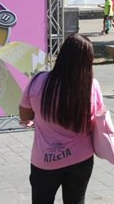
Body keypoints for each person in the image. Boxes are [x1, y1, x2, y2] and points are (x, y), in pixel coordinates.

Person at [19, 33, 104, 203]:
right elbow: (97, 120)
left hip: (45, 159)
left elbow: (25, 115)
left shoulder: (38, 81)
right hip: (81, 158)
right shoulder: (91, 86)